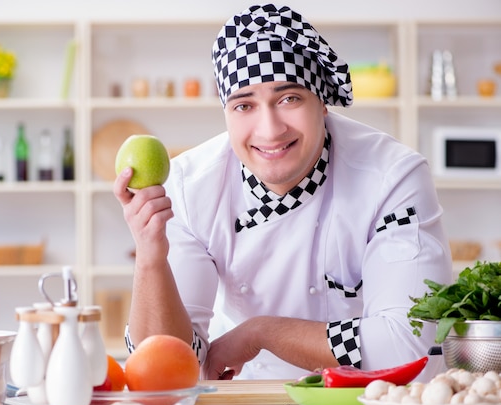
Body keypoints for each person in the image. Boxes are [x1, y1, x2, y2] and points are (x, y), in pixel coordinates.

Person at [113, 3, 452, 381]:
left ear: (322, 102)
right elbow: (165, 363)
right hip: (245, 400)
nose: (270, 130)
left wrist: (263, 332)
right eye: (244, 105)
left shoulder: (392, 178)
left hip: (365, 402)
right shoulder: (190, 188)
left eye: (288, 98)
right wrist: (150, 257)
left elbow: (411, 347)